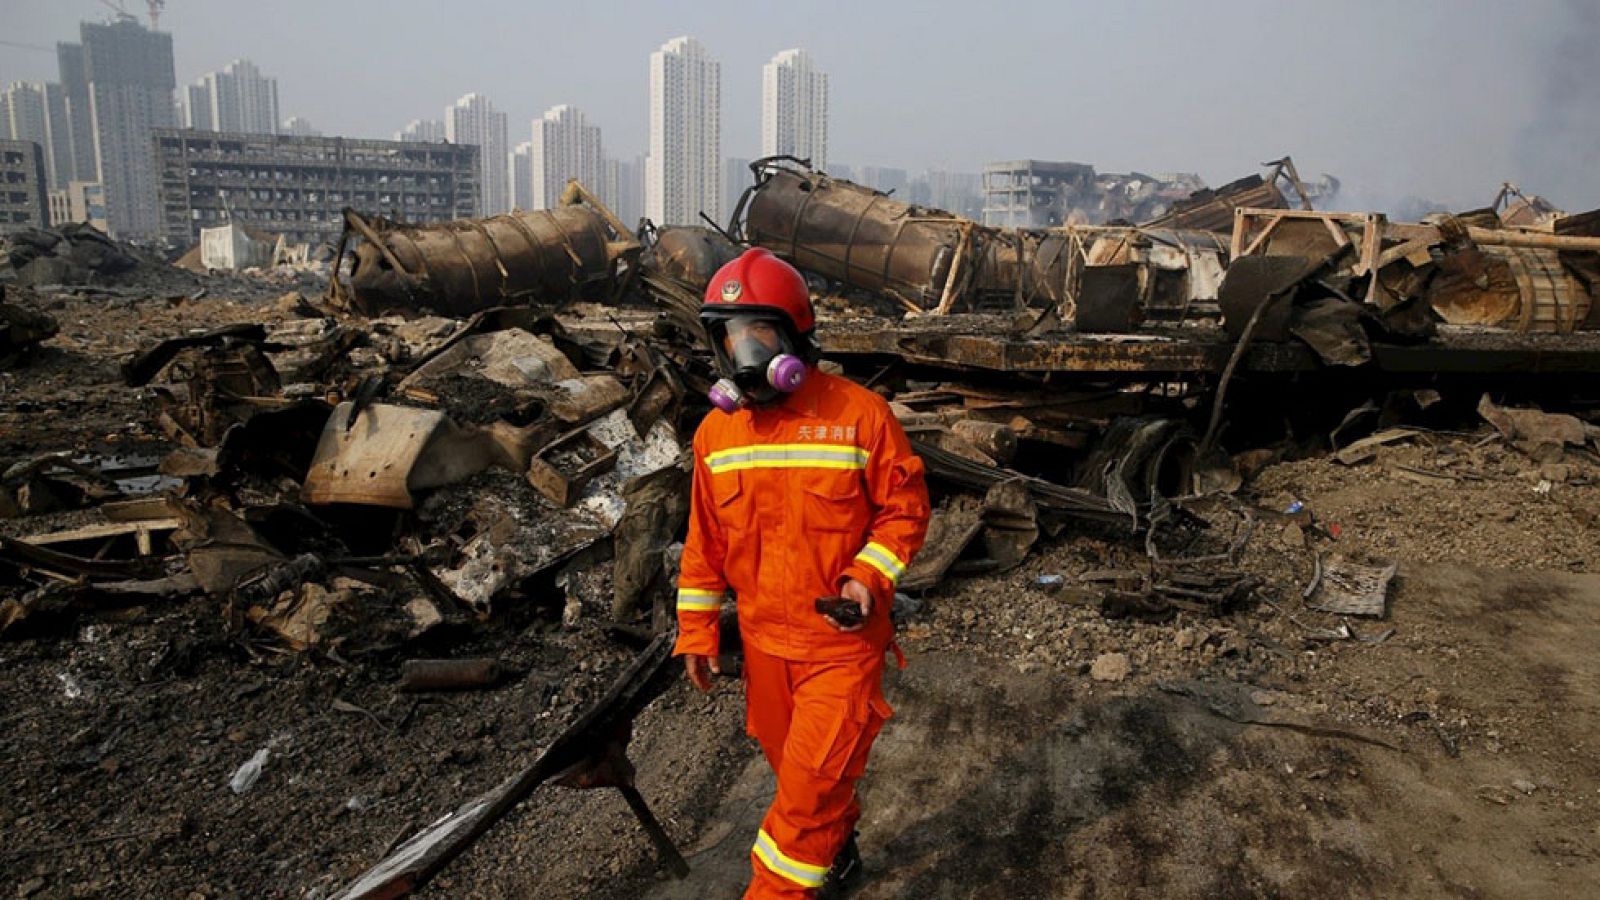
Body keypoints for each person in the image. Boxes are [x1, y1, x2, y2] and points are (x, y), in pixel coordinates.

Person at [675, 247, 931, 898]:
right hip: (766, 654)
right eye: (730, 339)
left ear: (796, 338)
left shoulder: (858, 417)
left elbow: (904, 510)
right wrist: (698, 630)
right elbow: (704, 540)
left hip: (840, 653)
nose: (744, 355)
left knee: (802, 807)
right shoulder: (716, 436)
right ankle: (839, 849)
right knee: (802, 780)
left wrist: (865, 579)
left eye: (758, 336)